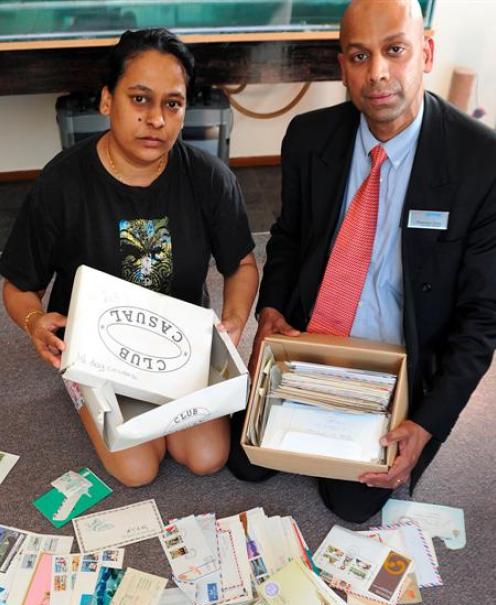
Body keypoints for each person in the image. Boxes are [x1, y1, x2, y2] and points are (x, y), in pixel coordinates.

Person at [228, 0, 496, 522]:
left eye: (395, 50)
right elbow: (286, 237)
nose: (378, 74)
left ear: (426, 52)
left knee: (351, 503)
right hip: (308, 339)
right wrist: (272, 310)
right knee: (246, 463)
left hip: (396, 360)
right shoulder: (308, 137)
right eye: (359, 55)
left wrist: (427, 423)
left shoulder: (482, 164)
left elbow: (482, 321)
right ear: (341, 65)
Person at [0, 28, 259, 487]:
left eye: (172, 104)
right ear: (106, 101)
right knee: (138, 469)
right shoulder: (62, 183)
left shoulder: (210, 179)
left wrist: (236, 321)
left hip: (177, 344)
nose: (156, 119)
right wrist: (35, 321)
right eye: (140, 99)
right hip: (97, 351)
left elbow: (239, 264)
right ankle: (79, 391)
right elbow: (19, 285)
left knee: (207, 457)